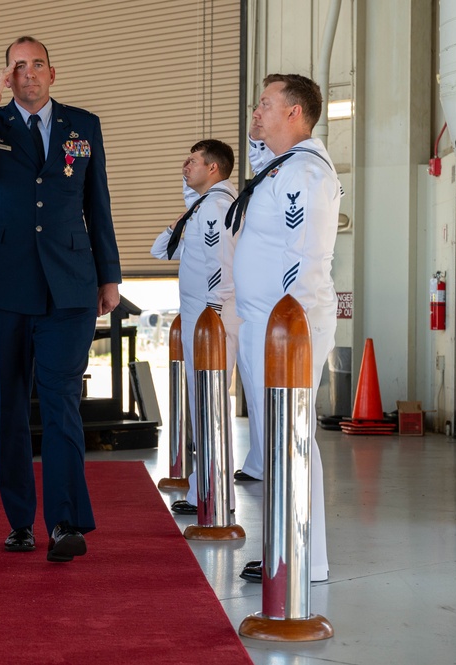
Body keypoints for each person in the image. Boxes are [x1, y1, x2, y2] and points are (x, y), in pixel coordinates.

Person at [0, 36, 121, 563]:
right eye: (17, 67)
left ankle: (65, 521)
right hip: (2, 286)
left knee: (62, 401)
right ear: (7, 77)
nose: (28, 74)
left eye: (36, 64)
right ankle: (20, 521)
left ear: (52, 72)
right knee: (10, 406)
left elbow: (98, 202)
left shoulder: (82, 125)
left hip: (69, 285)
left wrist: (108, 276)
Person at [229, 73, 339, 583]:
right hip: (263, 325)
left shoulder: (305, 173)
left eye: (266, 104)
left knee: (292, 438)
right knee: (278, 441)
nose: (256, 112)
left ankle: (305, 559)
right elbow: (259, 157)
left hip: (286, 328)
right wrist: (260, 135)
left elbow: (305, 255)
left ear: (295, 112)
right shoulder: (282, 168)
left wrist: (286, 326)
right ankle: (285, 546)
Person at [149, 140, 240, 516]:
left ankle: (217, 494)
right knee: (204, 407)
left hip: (210, 319)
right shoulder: (202, 208)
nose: (185, 166)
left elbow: (222, 263)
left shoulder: (216, 208)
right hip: (202, 317)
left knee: (210, 406)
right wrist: (183, 214)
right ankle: (208, 488)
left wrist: (213, 314)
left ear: (214, 168)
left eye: (193, 161)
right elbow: (160, 250)